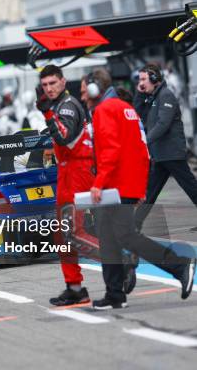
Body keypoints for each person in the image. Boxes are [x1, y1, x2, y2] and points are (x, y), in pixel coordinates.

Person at [87, 67, 195, 309]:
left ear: (95, 89)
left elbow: (112, 150)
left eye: (85, 91)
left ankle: (178, 265)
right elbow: (139, 141)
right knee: (112, 237)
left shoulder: (107, 109)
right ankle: (115, 293)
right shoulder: (129, 107)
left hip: (141, 171)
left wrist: (99, 183)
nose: (83, 96)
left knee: (124, 235)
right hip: (134, 177)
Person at [36, 65, 95, 306]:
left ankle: (122, 261)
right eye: (45, 85)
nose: (49, 88)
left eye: (53, 83)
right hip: (66, 172)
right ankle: (75, 288)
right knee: (62, 235)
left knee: (73, 233)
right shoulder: (59, 105)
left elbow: (64, 136)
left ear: (62, 81)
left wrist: (48, 115)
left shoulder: (68, 105)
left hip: (79, 172)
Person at [133, 64, 197, 230]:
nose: (140, 83)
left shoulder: (166, 95)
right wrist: (139, 93)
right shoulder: (153, 97)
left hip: (172, 153)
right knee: (150, 191)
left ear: (154, 79)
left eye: (143, 79)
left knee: (191, 187)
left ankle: (135, 223)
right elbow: (137, 113)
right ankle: (135, 224)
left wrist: (145, 140)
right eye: (139, 79)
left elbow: (163, 124)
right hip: (161, 154)